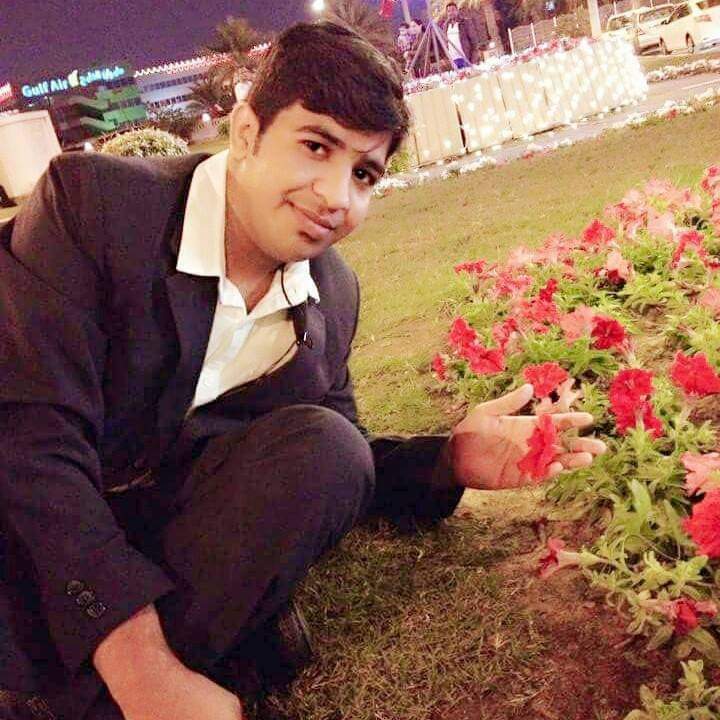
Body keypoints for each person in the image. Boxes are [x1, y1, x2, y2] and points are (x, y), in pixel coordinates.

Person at [0, 20, 606, 720]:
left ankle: (88, 698)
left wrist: (450, 461)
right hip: (24, 511)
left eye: (364, 173)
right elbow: (31, 441)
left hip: (148, 513)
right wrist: (143, 670)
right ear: (246, 133)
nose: (335, 196)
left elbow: (344, 455)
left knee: (328, 450)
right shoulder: (96, 207)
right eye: (316, 146)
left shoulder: (330, 295)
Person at [439, 1, 481, 68]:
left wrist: (473, 59)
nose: (451, 13)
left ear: (457, 11)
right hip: (454, 60)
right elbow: (444, 43)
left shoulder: (465, 22)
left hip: (466, 57)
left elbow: (474, 42)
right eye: (449, 11)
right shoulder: (445, 26)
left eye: (453, 10)